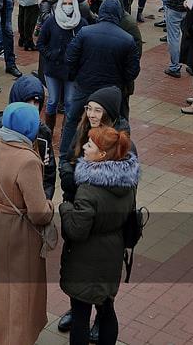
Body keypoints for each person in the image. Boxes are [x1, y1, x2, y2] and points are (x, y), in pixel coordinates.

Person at [0, 78, 56, 339]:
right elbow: (39, 210)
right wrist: (46, 204)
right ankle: (12, 335)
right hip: (18, 227)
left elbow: (48, 173)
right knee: (17, 289)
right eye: (29, 102)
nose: (34, 107)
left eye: (37, 102)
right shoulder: (26, 158)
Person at [59, 126, 138, 345]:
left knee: (80, 314)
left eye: (90, 145)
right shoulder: (128, 183)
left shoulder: (89, 189)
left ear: (102, 154)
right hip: (112, 254)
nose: (84, 147)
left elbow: (76, 230)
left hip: (86, 259)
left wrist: (65, 208)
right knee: (106, 309)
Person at [63, 0, 140, 157]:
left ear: (101, 11)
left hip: (84, 87)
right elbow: (132, 72)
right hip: (111, 93)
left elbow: (70, 58)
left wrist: (79, 75)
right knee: (110, 127)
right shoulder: (127, 40)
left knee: (72, 120)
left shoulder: (85, 32)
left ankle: (66, 156)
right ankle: (110, 155)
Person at [38, 0, 86, 131]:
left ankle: (67, 132)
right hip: (52, 69)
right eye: (65, 3)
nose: (67, 6)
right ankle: (48, 130)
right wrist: (50, 54)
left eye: (70, 3)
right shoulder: (52, 21)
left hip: (71, 71)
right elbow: (40, 43)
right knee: (52, 101)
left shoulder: (81, 23)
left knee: (69, 102)